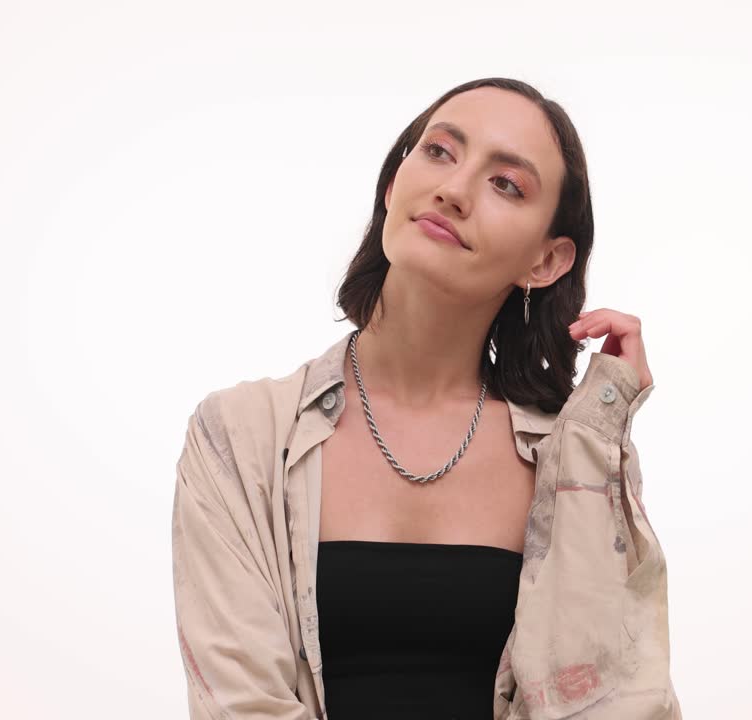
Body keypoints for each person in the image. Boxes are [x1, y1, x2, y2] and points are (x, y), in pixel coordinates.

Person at [171, 77, 681, 719]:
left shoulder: (569, 456)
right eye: (439, 151)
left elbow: (615, 702)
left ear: (546, 261)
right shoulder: (241, 437)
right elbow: (240, 706)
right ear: (394, 184)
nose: (454, 189)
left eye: (506, 184)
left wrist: (597, 430)